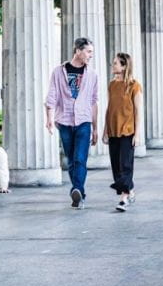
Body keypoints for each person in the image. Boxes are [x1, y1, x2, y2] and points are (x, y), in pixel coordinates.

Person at [45, 37, 99, 209]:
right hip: (65, 121)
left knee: (80, 159)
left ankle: (77, 189)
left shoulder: (92, 74)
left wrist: (96, 127)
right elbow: (52, 97)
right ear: (78, 50)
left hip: (84, 121)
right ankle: (79, 194)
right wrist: (49, 119)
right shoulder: (58, 72)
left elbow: (94, 101)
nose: (91, 55)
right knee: (70, 160)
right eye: (88, 51)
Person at [102, 52, 143, 212]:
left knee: (125, 165)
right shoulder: (112, 85)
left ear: (124, 66)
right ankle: (129, 190)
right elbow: (109, 108)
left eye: (116, 63)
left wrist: (137, 134)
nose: (113, 66)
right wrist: (105, 130)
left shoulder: (134, 85)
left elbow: (138, 111)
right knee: (116, 166)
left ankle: (124, 199)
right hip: (113, 130)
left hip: (128, 131)